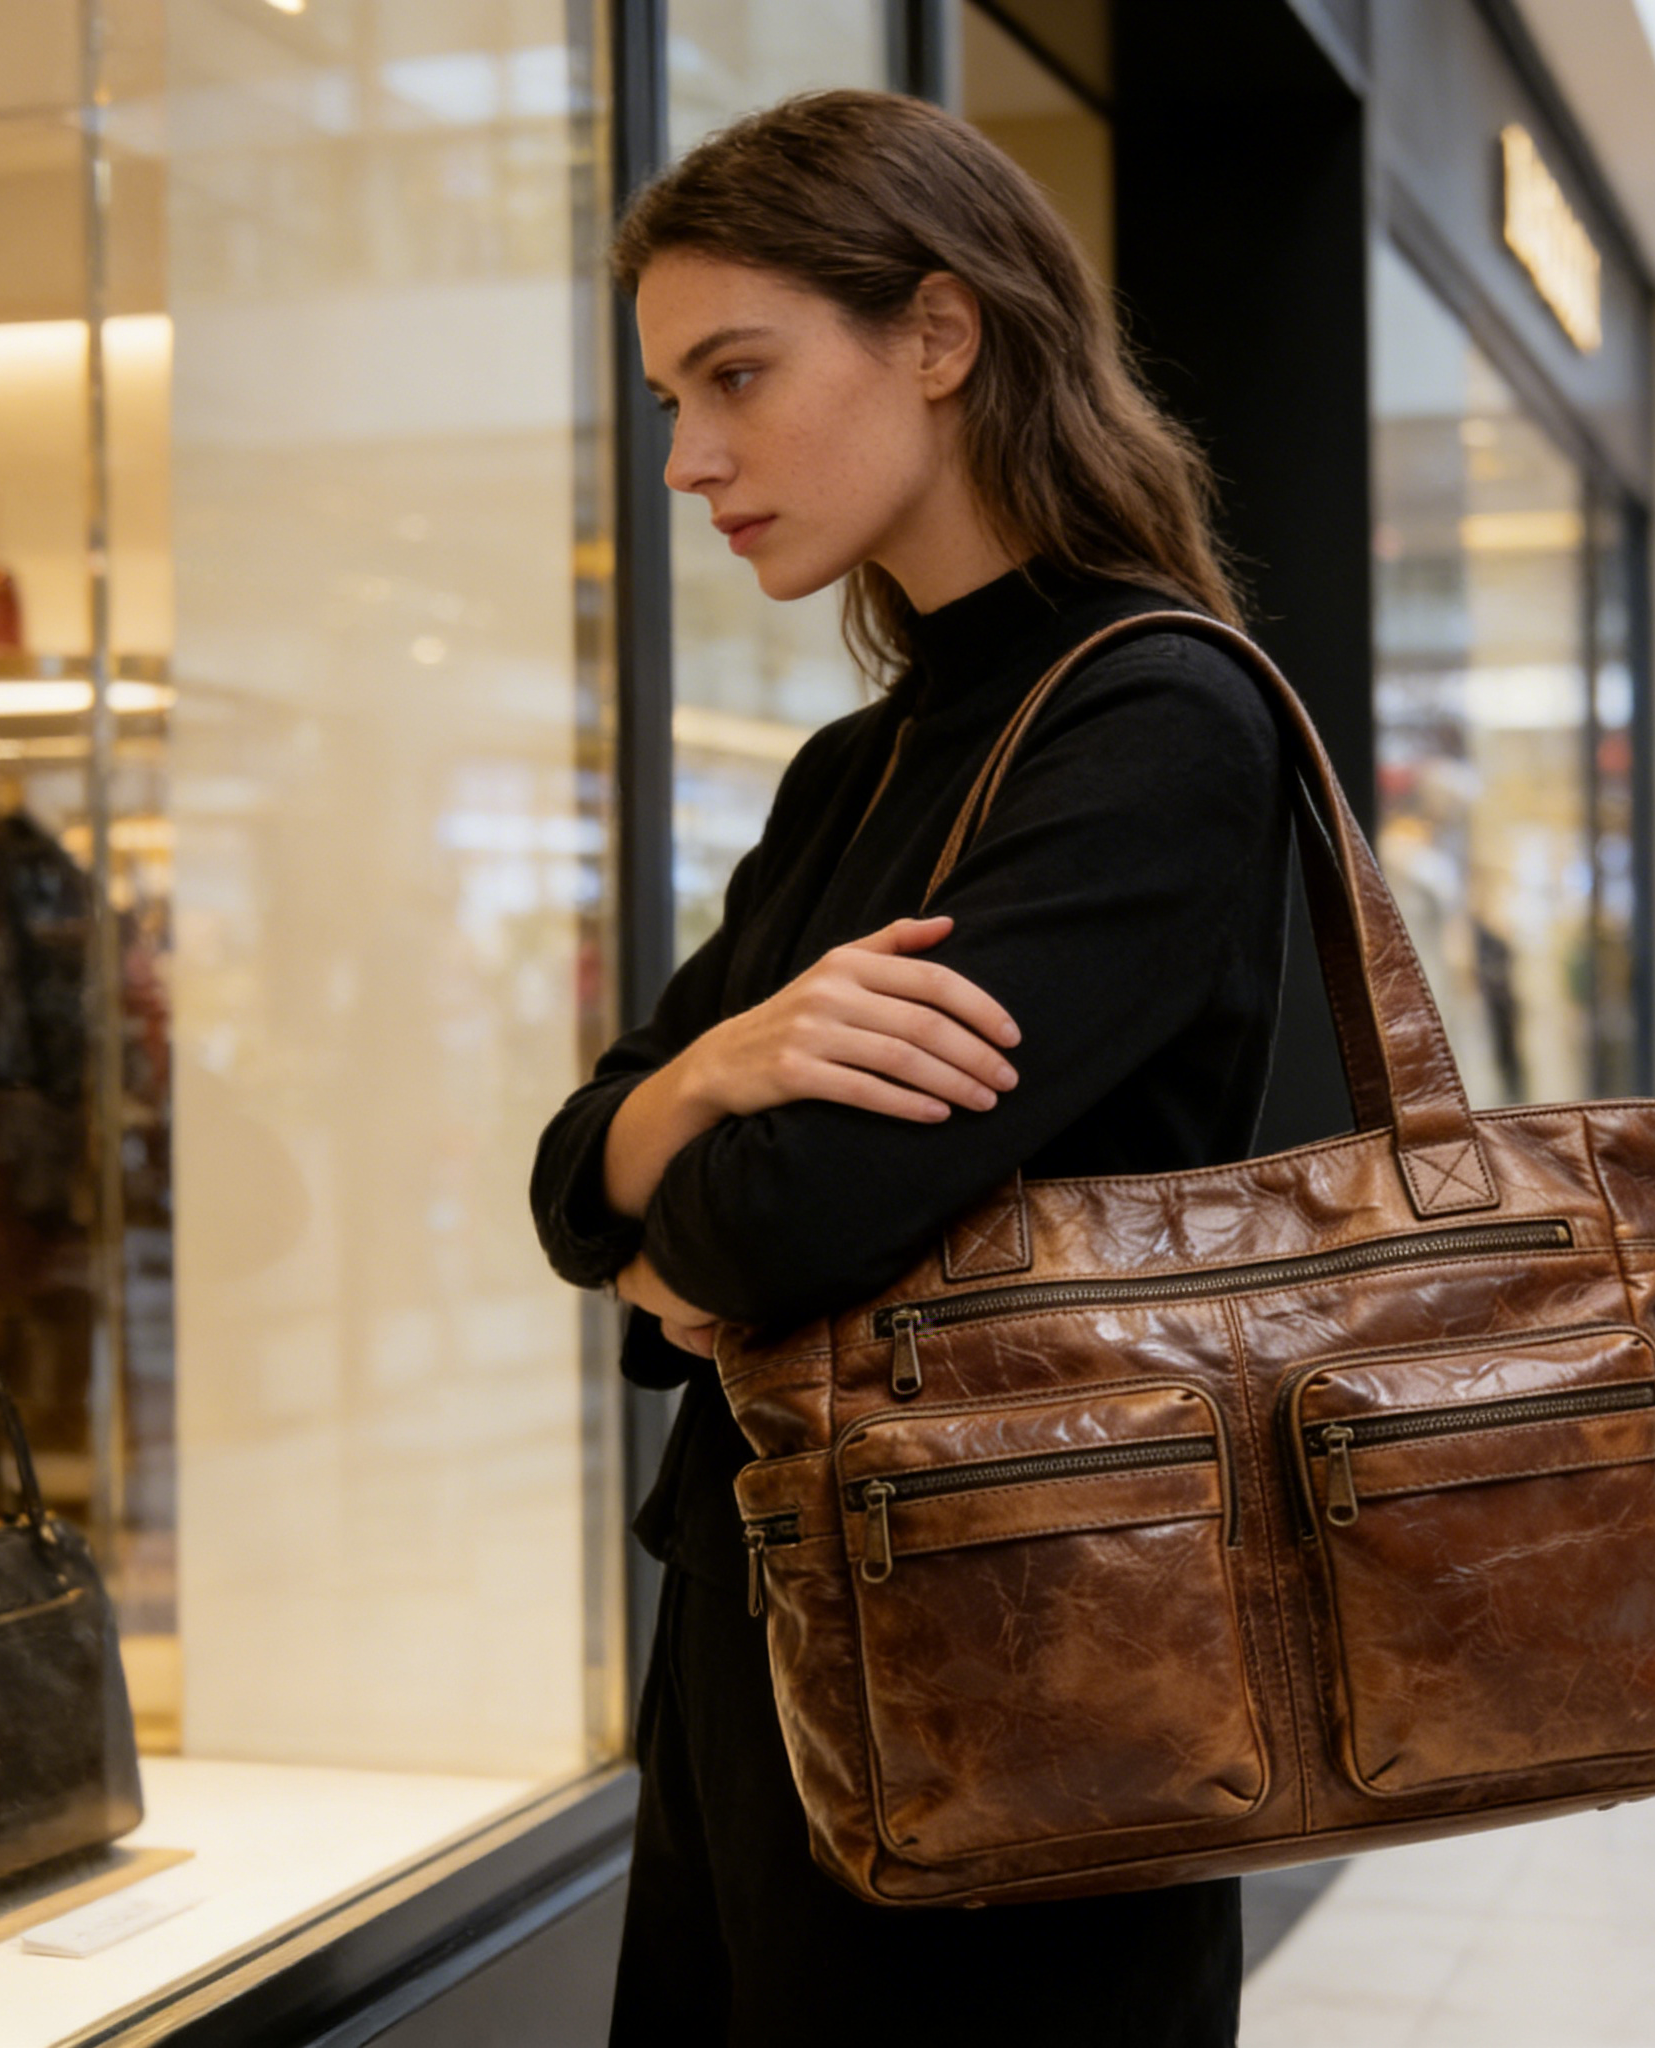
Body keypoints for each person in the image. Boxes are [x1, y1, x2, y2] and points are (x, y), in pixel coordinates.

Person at [530, 89, 1291, 2048]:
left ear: (939, 337)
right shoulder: (857, 765)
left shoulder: (1148, 718)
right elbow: (569, 1168)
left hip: (1027, 1664)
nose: (692, 458)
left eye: (738, 375)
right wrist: (708, 1082)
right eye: (668, 397)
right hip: (760, 1619)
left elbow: (788, 1223)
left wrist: (676, 1184)